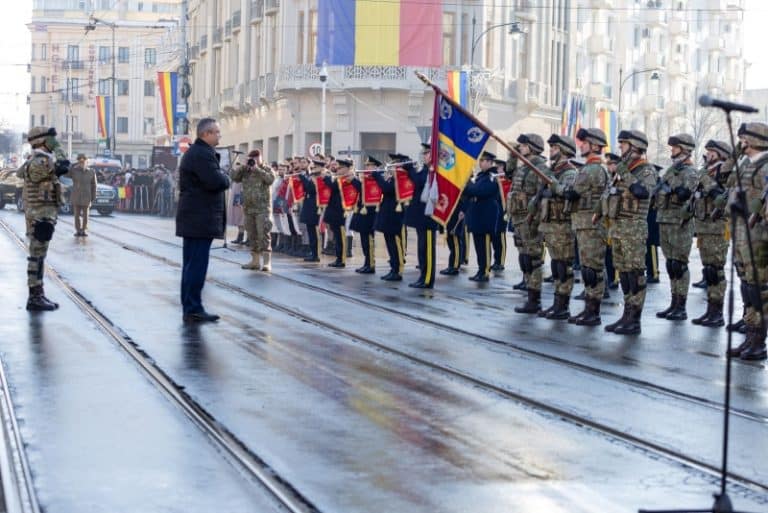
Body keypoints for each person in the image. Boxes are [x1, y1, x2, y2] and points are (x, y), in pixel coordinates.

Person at [175, 118, 231, 323]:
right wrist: (226, 176)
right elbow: (216, 181)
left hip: (194, 218)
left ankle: (190, 306)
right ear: (205, 134)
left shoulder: (197, 153)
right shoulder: (201, 155)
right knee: (196, 264)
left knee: (191, 264)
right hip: (199, 218)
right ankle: (193, 307)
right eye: (216, 132)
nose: (219, 136)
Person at [602, 130, 657, 335]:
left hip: (634, 228)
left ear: (635, 147)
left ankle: (635, 319)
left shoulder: (646, 170)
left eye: (624, 145)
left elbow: (642, 192)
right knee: (624, 273)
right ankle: (626, 314)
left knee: (635, 273)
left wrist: (623, 172)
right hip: (618, 227)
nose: (620, 149)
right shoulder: (624, 170)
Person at [726, 122, 768, 361]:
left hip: (759, 238)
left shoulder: (765, 167)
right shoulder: (748, 165)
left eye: (744, 139)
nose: (741, 143)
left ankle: (759, 342)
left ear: (754, 140)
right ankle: (750, 337)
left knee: (759, 290)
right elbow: (726, 177)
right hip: (742, 234)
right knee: (747, 287)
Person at [18, 126, 70, 311]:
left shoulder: (43, 159)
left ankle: (38, 293)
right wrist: (58, 150)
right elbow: (62, 167)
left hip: (43, 214)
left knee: (39, 255)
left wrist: (55, 150)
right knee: (36, 256)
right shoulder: (39, 161)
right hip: (39, 215)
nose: (53, 142)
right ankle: (34, 296)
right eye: (50, 139)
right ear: (40, 141)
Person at [566, 128, 610, 325]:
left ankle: (593, 312)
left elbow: (573, 192)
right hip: (585, 223)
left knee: (592, 269)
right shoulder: (590, 168)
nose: (580, 145)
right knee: (588, 269)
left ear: (594, 145)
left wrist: (556, 186)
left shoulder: (592, 169)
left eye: (584, 143)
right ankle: (589, 310)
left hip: (591, 224)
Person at [654, 134, 698, 321]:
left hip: (680, 222)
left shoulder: (690, 172)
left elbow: (684, 194)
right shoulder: (672, 170)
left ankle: (681, 306)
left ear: (685, 149)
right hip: (665, 219)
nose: (672, 150)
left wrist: (669, 187)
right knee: (670, 264)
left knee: (679, 264)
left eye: (675, 147)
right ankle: (673, 303)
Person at [689, 139, 732, 327]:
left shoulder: (724, 172)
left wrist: (704, 178)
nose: (708, 155)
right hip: (704, 226)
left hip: (717, 227)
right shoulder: (706, 172)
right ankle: (710, 310)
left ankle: (717, 313)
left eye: (712, 152)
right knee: (708, 270)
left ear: (721, 154)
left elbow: (720, 197)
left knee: (716, 271)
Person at [536, 135, 578, 319]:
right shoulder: (552, 171)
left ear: (564, 150)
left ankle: (563, 306)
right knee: (555, 266)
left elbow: (567, 194)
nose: (551, 150)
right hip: (551, 224)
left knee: (563, 266)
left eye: (554, 147)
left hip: (562, 225)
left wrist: (553, 184)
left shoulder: (570, 172)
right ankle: (556, 303)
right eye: (551, 147)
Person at [509, 134, 549, 313]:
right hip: (518, 216)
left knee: (533, 259)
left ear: (532, 147)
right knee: (524, 257)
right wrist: (512, 155)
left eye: (523, 146)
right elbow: (509, 174)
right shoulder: (523, 166)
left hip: (530, 218)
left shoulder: (539, 167)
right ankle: (528, 288)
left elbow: (542, 195)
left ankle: (535, 298)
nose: (521, 148)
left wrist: (535, 215)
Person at [404, 143, 440, 288]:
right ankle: (422, 276)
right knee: (421, 248)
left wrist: (410, 169)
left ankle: (427, 279)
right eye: (424, 153)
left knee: (428, 250)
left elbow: (419, 181)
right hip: (421, 217)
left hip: (428, 217)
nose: (424, 156)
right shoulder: (425, 169)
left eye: (427, 153)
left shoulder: (432, 171)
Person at [233, 149, 275, 271]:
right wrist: (242, 167)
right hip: (249, 208)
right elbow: (234, 178)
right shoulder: (245, 171)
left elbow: (270, 180)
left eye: (256, 158)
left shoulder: (266, 169)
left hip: (263, 208)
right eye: (251, 158)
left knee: (264, 234)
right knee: (252, 234)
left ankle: (267, 262)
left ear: (260, 158)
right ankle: (255, 261)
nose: (254, 160)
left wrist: (257, 169)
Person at [464, 151, 500, 282]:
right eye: (481, 160)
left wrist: (468, 184)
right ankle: (480, 270)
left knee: (484, 246)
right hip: (477, 215)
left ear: (490, 163)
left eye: (484, 161)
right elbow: (472, 192)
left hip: (486, 216)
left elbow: (481, 191)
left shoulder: (492, 176)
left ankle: (484, 272)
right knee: (478, 246)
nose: (481, 163)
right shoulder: (481, 177)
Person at [373, 154, 406, 281]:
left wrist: (377, 176)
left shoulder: (401, 178)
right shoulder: (393, 178)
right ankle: (393, 268)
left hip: (395, 216)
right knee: (390, 243)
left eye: (394, 164)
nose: (390, 167)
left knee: (395, 244)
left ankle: (397, 270)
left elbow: (387, 189)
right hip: (388, 214)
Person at [350, 156, 380, 274]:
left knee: (369, 240)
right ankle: (366, 263)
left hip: (371, 213)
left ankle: (371, 264)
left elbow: (365, 190)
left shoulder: (376, 179)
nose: (366, 167)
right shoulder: (366, 178)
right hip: (363, 212)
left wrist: (353, 180)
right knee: (363, 239)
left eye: (369, 165)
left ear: (375, 167)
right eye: (366, 165)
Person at [323, 159, 353, 268]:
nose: (338, 169)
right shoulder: (339, 178)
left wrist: (326, 177)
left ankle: (342, 259)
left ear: (347, 169)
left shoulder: (347, 179)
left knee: (341, 236)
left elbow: (333, 187)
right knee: (337, 235)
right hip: (334, 210)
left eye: (340, 168)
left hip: (341, 210)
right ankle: (338, 257)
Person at [298, 158, 325, 262]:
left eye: (316, 167)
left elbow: (311, 188)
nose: (313, 168)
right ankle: (313, 252)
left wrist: (303, 178)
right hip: (309, 205)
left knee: (315, 232)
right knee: (310, 231)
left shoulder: (320, 177)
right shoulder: (312, 176)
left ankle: (316, 254)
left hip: (315, 206)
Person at [67, 153, 97, 237]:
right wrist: (72, 166)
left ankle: (83, 230)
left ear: (86, 161)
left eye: (83, 161)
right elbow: (65, 174)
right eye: (80, 161)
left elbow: (94, 185)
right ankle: (78, 230)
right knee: (76, 215)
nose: (82, 163)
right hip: (76, 196)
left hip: (87, 196)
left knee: (86, 215)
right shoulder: (73, 171)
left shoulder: (91, 172)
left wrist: (93, 196)